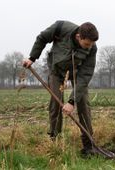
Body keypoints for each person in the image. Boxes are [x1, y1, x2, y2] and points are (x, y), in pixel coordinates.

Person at [23, 20, 99, 156]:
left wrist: (72, 101)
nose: (90, 47)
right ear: (78, 37)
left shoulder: (92, 48)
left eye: (92, 44)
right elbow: (42, 38)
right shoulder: (60, 27)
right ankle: (55, 140)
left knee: (83, 104)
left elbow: (85, 75)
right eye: (87, 44)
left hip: (77, 73)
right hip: (57, 71)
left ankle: (89, 144)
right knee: (56, 103)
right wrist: (32, 58)